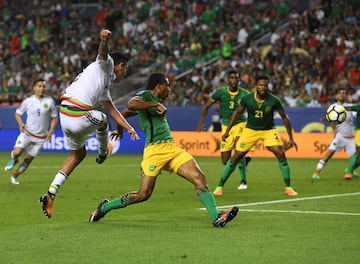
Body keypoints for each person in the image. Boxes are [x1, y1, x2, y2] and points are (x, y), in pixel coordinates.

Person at [89, 72, 239, 227]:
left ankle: (216, 217)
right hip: (154, 151)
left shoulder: (154, 101)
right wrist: (153, 106)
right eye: (167, 86)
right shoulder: (146, 96)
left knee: (199, 177)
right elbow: (130, 105)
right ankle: (105, 207)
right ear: (159, 86)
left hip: (171, 149)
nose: (170, 90)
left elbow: (123, 114)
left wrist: (121, 129)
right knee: (143, 194)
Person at [39, 29, 140, 219]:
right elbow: (103, 53)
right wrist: (103, 40)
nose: (124, 74)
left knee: (78, 154)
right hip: (77, 112)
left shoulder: (104, 83)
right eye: (125, 69)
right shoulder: (107, 65)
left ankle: (51, 193)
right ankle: (103, 153)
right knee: (101, 119)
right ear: (121, 65)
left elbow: (113, 109)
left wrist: (128, 127)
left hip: (65, 113)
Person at [218, 74, 298, 196]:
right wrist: (227, 131)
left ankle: (288, 187)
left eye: (266, 85)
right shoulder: (247, 99)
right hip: (250, 130)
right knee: (237, 156)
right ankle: (220, 186)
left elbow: (284, 118)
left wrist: (291, 138)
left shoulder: (274, 100)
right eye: (261, 85)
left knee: (280, 153)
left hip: (268, 130)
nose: (263, 87)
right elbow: (236, 114)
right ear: (256, 86)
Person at [196, 70, 252, 194]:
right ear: (228, 79)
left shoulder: (245, 94)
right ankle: (243, 161)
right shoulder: (220, 92)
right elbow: (206, 107)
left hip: (240, 124)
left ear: (239, 80)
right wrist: (201, 121)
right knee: (225, 161)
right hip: (226, 126)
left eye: (236, 78)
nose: (234, 80)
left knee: (238, 150)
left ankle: (243, 181)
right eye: (232, 78)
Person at [4, 78, 58, 184]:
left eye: (43, 86)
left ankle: (15, 176)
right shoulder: (28, 101)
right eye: (39, 86)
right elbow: (17, 113)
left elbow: (54, 118)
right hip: (27, 134)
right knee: (17, 152)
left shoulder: (50, 101)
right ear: (34, 88)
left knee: (28, 159)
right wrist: (21, 124)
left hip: (40, 138)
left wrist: (51, 132)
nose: (41, 89)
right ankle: (14, 159)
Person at [312, 88, 359, 180]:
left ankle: (350, 170)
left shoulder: (350, 106)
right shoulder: (332, 107)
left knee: (358, 158)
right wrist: (334, 131)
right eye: (340, 93)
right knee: (329, 153)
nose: (342, 94)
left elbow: (356, 114)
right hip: (340, 136)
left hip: (351, 137)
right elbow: (332, 121)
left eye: (344, 93)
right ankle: (316, 172)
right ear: (337, 95)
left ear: (346, 96)